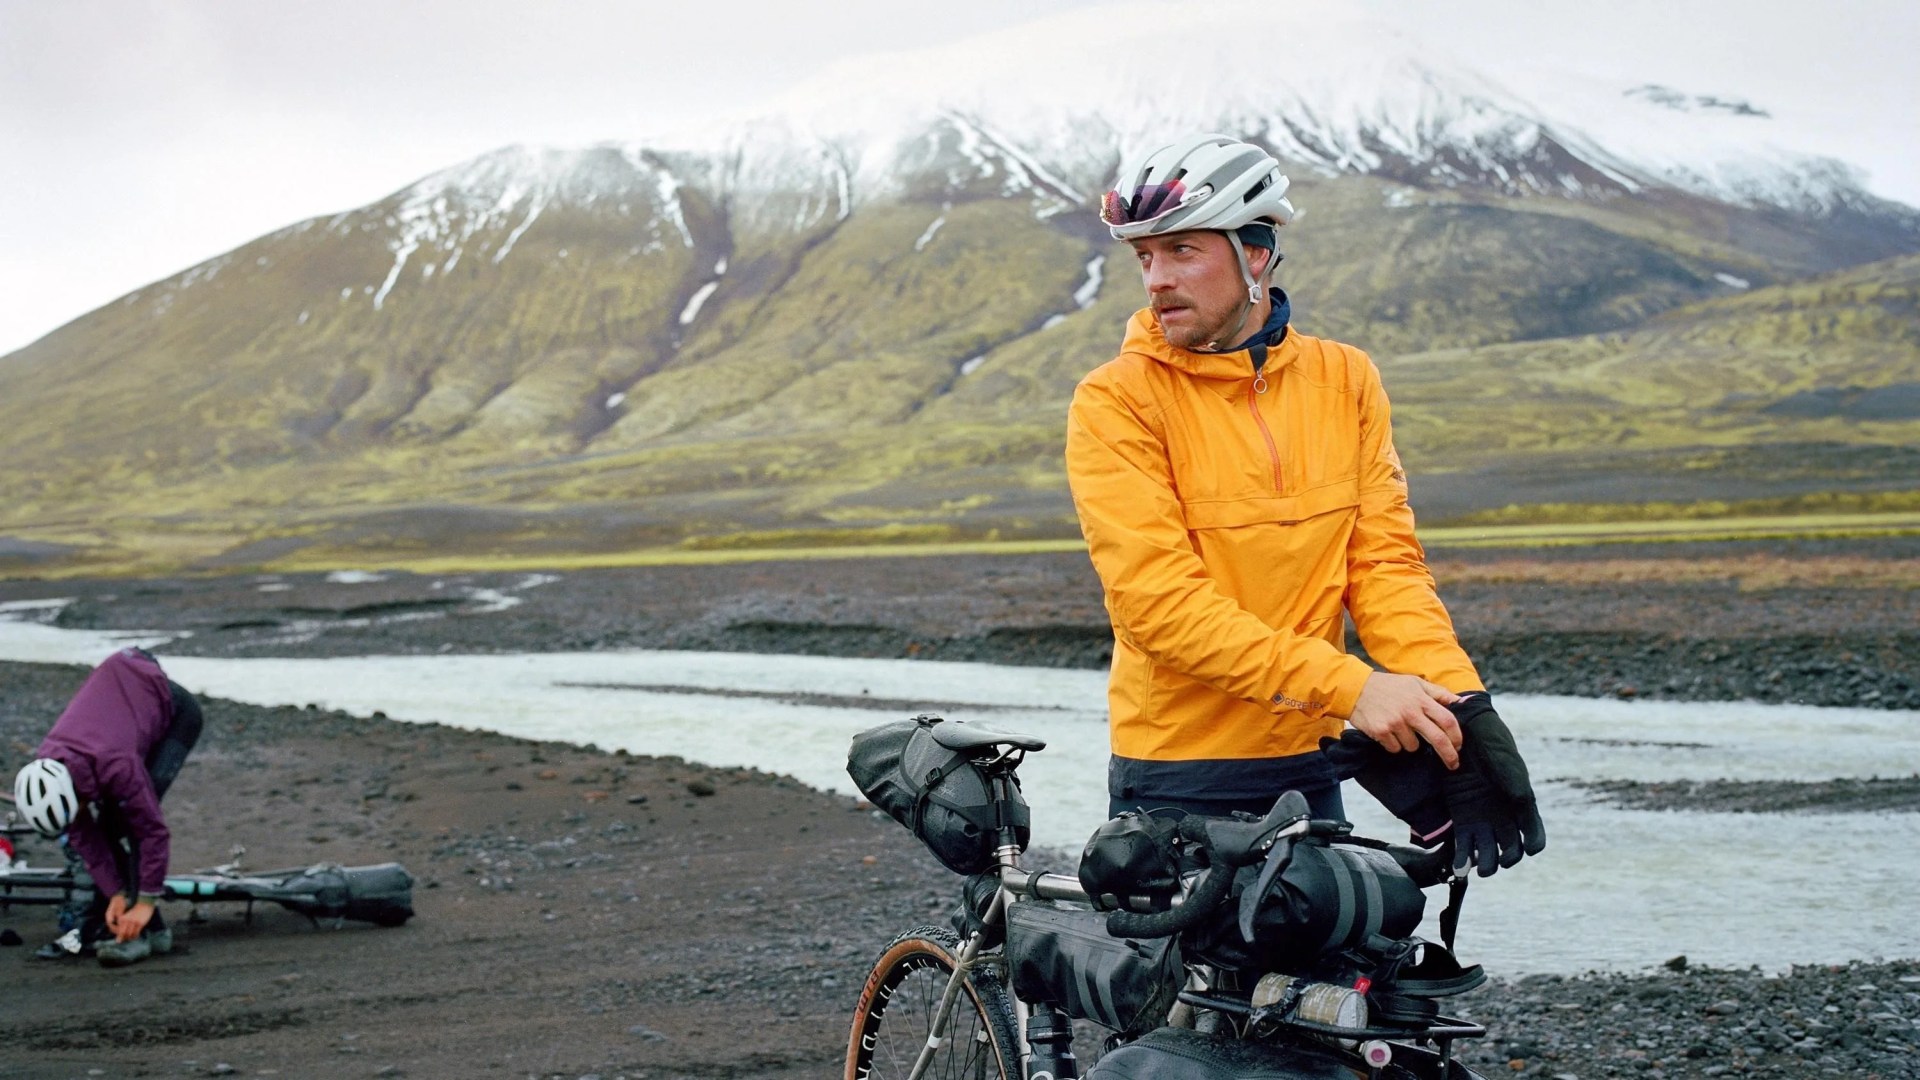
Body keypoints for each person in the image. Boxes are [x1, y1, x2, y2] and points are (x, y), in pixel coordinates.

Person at [1067, 134, 1542, 875]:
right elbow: (1158, 609)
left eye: (1182, 251)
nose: (1156, 279)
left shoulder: (1344, 380)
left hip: (1311, 764)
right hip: (1177, 771)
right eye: (1144, 258)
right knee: (1184, 992)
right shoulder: (1119, 399)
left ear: (1255, 254)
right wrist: (1354, 688)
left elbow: (1383, 567)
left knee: (1343, 985)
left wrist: (1458, 705)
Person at [12, 646, 203, 965]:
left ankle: (139, 931)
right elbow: (87, 840)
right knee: (102, 829)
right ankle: (153, 931)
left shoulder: (116, 765)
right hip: (122, 703)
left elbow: (153, 832)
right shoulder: (51, 768)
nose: (77, 819)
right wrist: (114, 892)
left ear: (75, 794)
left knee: (129, 822)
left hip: (176, 713)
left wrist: (144, 901)